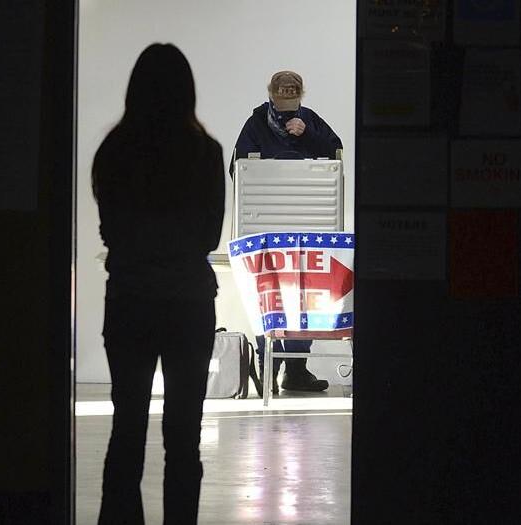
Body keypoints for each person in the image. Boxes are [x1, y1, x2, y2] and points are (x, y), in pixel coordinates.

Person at [92, 43, 224, 525]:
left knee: (126, 430)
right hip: (188, 303)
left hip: (129, 300)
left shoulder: (114, 151)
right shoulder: (205, 153)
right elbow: (210, 235)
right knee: (183, 439)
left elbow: (111, 232)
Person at [232, 71, 342, 393]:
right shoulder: (255, 124)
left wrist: (308, 135)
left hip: (308, 225)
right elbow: (238, 166)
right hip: (265, 229)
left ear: (301, 96)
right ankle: (269, 367)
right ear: (270, 94)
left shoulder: (310, 120)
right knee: (268, 295)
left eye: (291, 101)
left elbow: (335, 152)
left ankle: (296, 369)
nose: (286, 109)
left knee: (305, 297)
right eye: (281, 101)